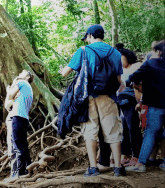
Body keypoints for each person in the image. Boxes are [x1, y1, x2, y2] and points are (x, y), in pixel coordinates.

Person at [60, 24, 125, 177]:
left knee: (90, 131)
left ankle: (93, 168)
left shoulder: (83, 51)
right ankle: (117, 167)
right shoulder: (115, 53)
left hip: (88, 98)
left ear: (89, 35)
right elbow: (119, 79)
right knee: (113, 130)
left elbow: (64, 73)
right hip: (108, 97)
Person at [125, 39, 165, 172]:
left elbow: (132, 78)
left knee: (150, 133)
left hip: (156, 105)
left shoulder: (151, 63)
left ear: (159, 52)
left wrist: (134, 83)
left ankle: (140, 164)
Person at [3, 69, 34, 181]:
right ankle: (27, 170)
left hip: (16, 116)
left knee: (16, 146)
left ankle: (16, 174)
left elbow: (10, 96)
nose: (20, 72)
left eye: (24, 72)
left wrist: (12, 89)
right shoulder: (29, 89)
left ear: (27, 77)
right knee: (23, 145)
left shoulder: (21, 83)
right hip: (24, 118)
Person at [117, 48, 143, 166]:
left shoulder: (136, 66)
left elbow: (141, 84)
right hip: (120, 102)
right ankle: (125, 155)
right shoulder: (118, 70)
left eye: (121, 58)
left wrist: (140, 102)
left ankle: (136, 155)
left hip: (133, 101)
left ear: (127, 57)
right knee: (125, 129)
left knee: (133, 128)